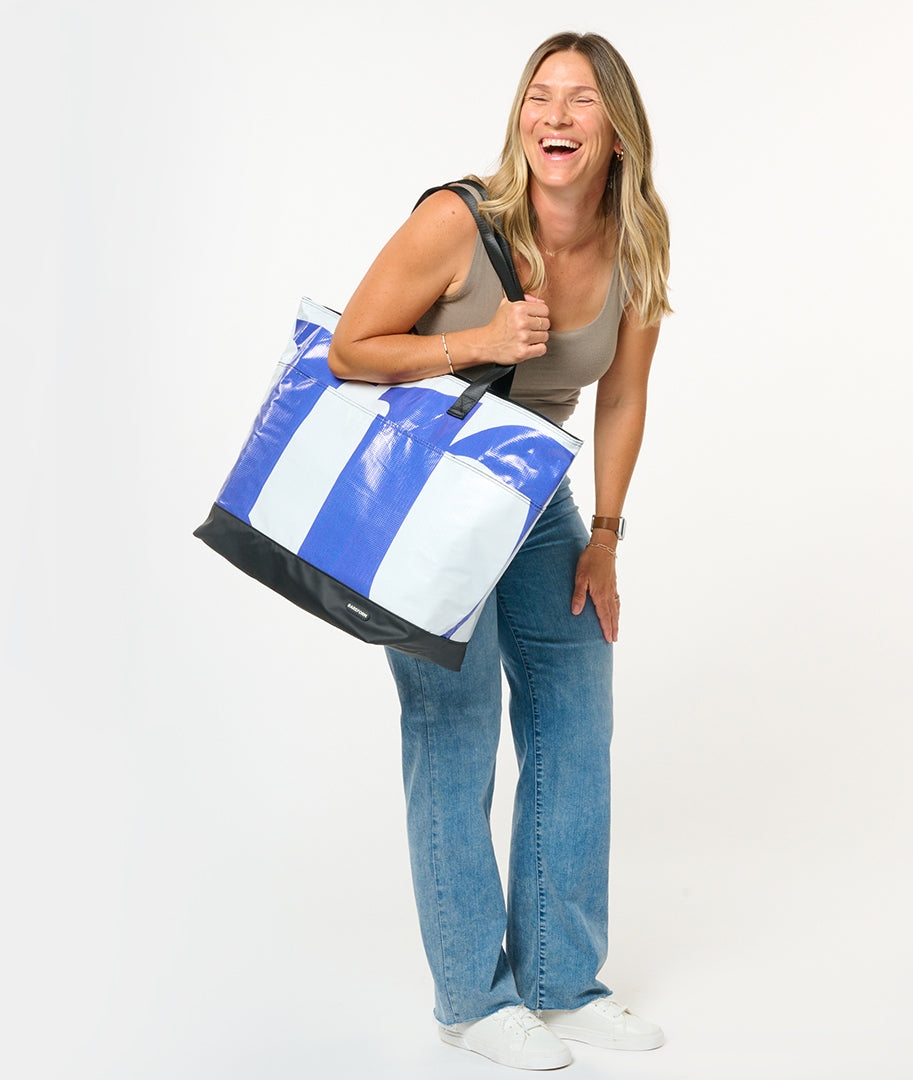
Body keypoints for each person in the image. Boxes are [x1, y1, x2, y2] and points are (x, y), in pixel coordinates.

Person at [328, 31, 671, 1071]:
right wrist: (476, 343)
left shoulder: (637, 241)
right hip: (428, 497)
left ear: (617, 130)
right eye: (539, 95)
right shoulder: (459, 220)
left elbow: (623, 395)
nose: (555, 117)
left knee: (575, 708)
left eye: (580, 100)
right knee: (455, 723)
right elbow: (349, 349)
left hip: (530, 494)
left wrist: (604, 536)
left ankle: (562, 982)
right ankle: (471, 1002)